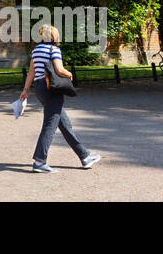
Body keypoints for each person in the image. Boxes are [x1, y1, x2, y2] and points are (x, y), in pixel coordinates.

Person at [18, 24, 101, 173]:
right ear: (54, 36)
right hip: (52, 89)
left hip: (39, 88)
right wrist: (69, 74)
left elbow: (31, 73)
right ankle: (39, 162)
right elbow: (59, 69)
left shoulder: (36, 50)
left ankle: (85, 156)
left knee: (65, 124)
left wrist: (25, 90)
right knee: (50, 125)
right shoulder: (54, 50)